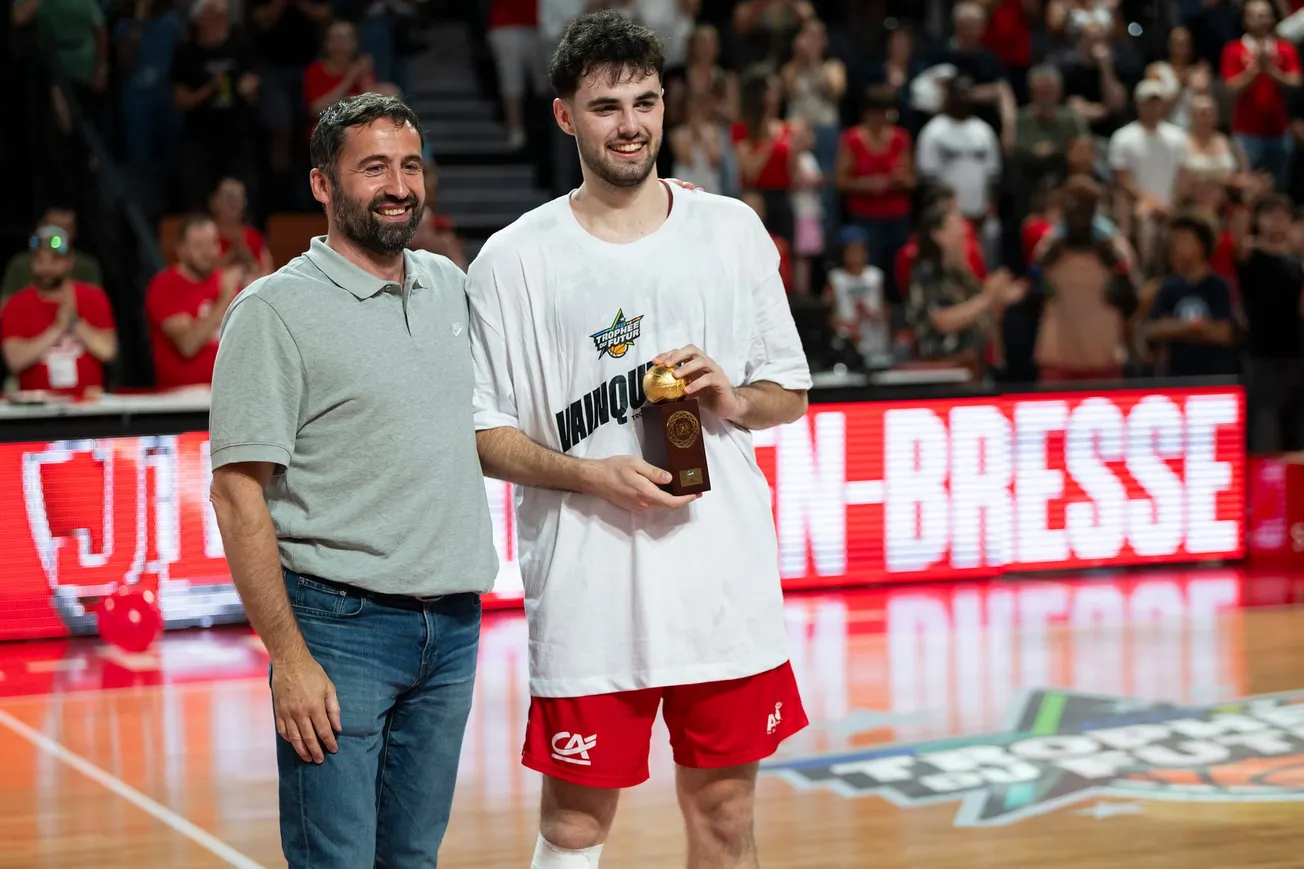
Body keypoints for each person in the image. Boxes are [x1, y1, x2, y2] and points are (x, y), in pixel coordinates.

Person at [465, 12, 812, 868]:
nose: (631, 124)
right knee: (575, 828)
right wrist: (591, 475)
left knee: (727, 819)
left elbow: (790, 392)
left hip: (721, 583)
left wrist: (734, 395)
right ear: (565, 117)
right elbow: (483, 435)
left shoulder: (731, 230)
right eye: (607, 105)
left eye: (646, 101)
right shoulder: (513, 260)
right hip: (591, 584)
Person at [206, 93, 498, 868]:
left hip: (455, 627)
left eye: (409, 165)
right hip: (338, 630)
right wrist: (290, 659)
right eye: (373, 167)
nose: (398, 184)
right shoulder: (273, 311)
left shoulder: (450, 286)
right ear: (323, 187)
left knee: (413, 859)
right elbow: (238, 495)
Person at [0, 226, 117, 396]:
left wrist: (75, 323)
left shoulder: (93, 297)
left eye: (54, 260)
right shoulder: (16, 305)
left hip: (88, 403)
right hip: (37, 405)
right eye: (40, 260)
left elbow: (108, 351)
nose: (46, 267)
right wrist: (57, 329)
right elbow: (15, 360)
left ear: (69, 262)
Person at [145, 214, 245, 389]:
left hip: (230, 394)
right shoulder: (165, 286)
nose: (207, 252)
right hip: (181, 400)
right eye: (199, 246)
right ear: (181, 249)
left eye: (212, 244)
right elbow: (188, 345)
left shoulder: (226, 282)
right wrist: (224, 299)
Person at [1145, 211, 1238, 378]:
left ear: (1202, 245)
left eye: (1183, 241)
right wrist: (1197, 327)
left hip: (1215, 380)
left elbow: (1224, 334)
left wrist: (1176, 328)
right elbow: (1154, 329)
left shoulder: (1218, 286)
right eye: (1173, 242)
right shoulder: (1168, 287)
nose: (1176, 248)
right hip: (1178, 380)